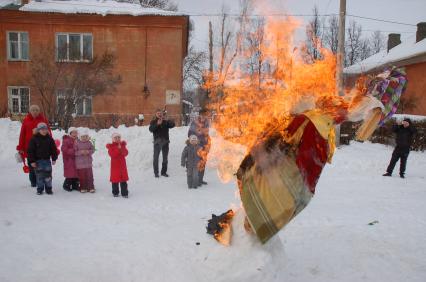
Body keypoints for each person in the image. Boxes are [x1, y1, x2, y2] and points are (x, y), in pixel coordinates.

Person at [16, 105, 51, 187]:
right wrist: (20, 147)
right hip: (29, 147)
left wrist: (50, 143)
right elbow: (22, 134)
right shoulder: (26, 120)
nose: (35, 111)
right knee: (32, 165)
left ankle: (41, 180)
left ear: (39, 111)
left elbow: (48, 132)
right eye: (33, 110)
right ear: (30, 111)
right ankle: (33, 181)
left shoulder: (43, 120)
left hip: (41, 148)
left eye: (36, 110)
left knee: (41, 165)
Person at [27, 122, 58, 195]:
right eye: (42, 129)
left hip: (47, 160)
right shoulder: (34, 139)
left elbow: (53, 149)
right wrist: (32, 161)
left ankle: (48, 189)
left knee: (48, 176)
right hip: (38, 161)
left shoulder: (49, 139)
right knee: (39, 176)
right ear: (38, 130)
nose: (44, 131)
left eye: (45, 129)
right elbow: (30, 151)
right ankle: (40, 189)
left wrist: (54, 158)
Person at [149, 109, 175, 178]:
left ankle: (163, 172)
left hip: (165, 142)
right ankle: (156, 173)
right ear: (156, 114)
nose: (159, 114)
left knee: (165, 158)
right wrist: (157, 124)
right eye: (158, 113)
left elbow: (173, 125)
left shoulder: (165, 121)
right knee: (156, 158)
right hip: (157, 142)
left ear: (162, 114)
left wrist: (168, 120)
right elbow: (151, 129)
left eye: (160, 113)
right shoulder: (153, 121)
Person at [188, 109, 210, 185]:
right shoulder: (195, 122)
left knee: (203, 163)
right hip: (196, 146)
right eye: (202, 114)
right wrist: (193, 140)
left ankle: (200, 179)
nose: (204, 116)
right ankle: (195, 180)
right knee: (196, 163)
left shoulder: (207, 122)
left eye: (205, 115)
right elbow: (190, 133)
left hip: (204, 145)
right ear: (199, 115)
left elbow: (206, 133)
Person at [106, 133, 129, 198]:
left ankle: (124, 193)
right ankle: (115, 192)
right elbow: (112, 154)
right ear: (113, 139)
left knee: (123, 180)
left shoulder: (122, 145)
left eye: (118, 137)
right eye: (115, 138)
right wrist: (118, 149)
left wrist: (121, 148)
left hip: (122, 166)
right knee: (115, 180)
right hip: (115, 167)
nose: (117, 139)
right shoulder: (111, 147)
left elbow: (126, 153)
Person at [61, 127, 79, 192]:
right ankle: (66, 185)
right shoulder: (66, 140)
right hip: (69, 160)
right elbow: (64, 149)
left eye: (76, 133)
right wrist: (74, 150)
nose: (75, 134)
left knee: (76, 173)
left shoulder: (78, 140)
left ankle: (75, 185)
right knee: (70, 173)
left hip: (77, 160)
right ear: (70, 133)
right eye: (73, 133)